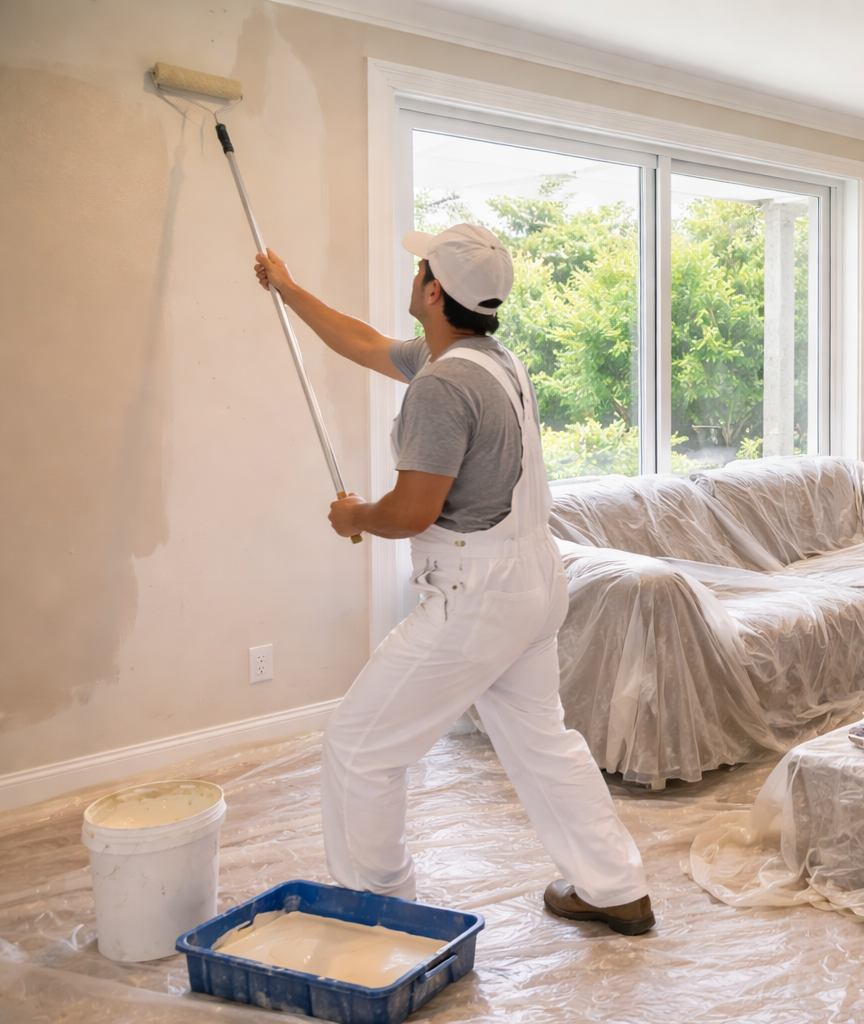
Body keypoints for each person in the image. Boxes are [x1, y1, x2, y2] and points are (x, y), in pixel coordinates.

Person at [252, 224, 656, 932]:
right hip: (532, 580)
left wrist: (356, 516)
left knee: (360, 749)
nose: (412, 276)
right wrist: (288, 290)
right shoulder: (491, 360)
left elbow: (412, 512)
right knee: (541, 739)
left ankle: (381, 920)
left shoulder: (441, 389)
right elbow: (365, 344)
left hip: (479, 597)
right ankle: (613, 885)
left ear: (434, 291)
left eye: (419, 270)